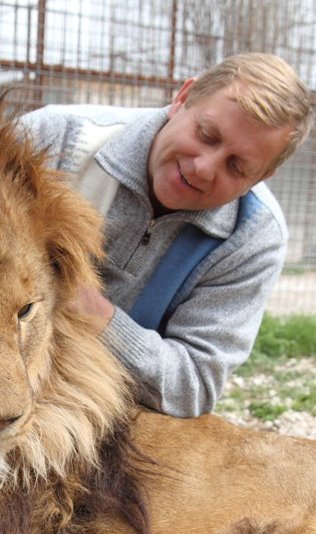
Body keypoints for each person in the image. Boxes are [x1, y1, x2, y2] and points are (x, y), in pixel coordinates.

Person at [21, 53, 313, 417]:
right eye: (206, 135)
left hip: (111, 411)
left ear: (261, 178)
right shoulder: (52, 139)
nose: (204, 168)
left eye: (237, 167)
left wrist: (95, 314)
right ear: (182, 98)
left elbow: (192, 383)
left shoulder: (255, 238)